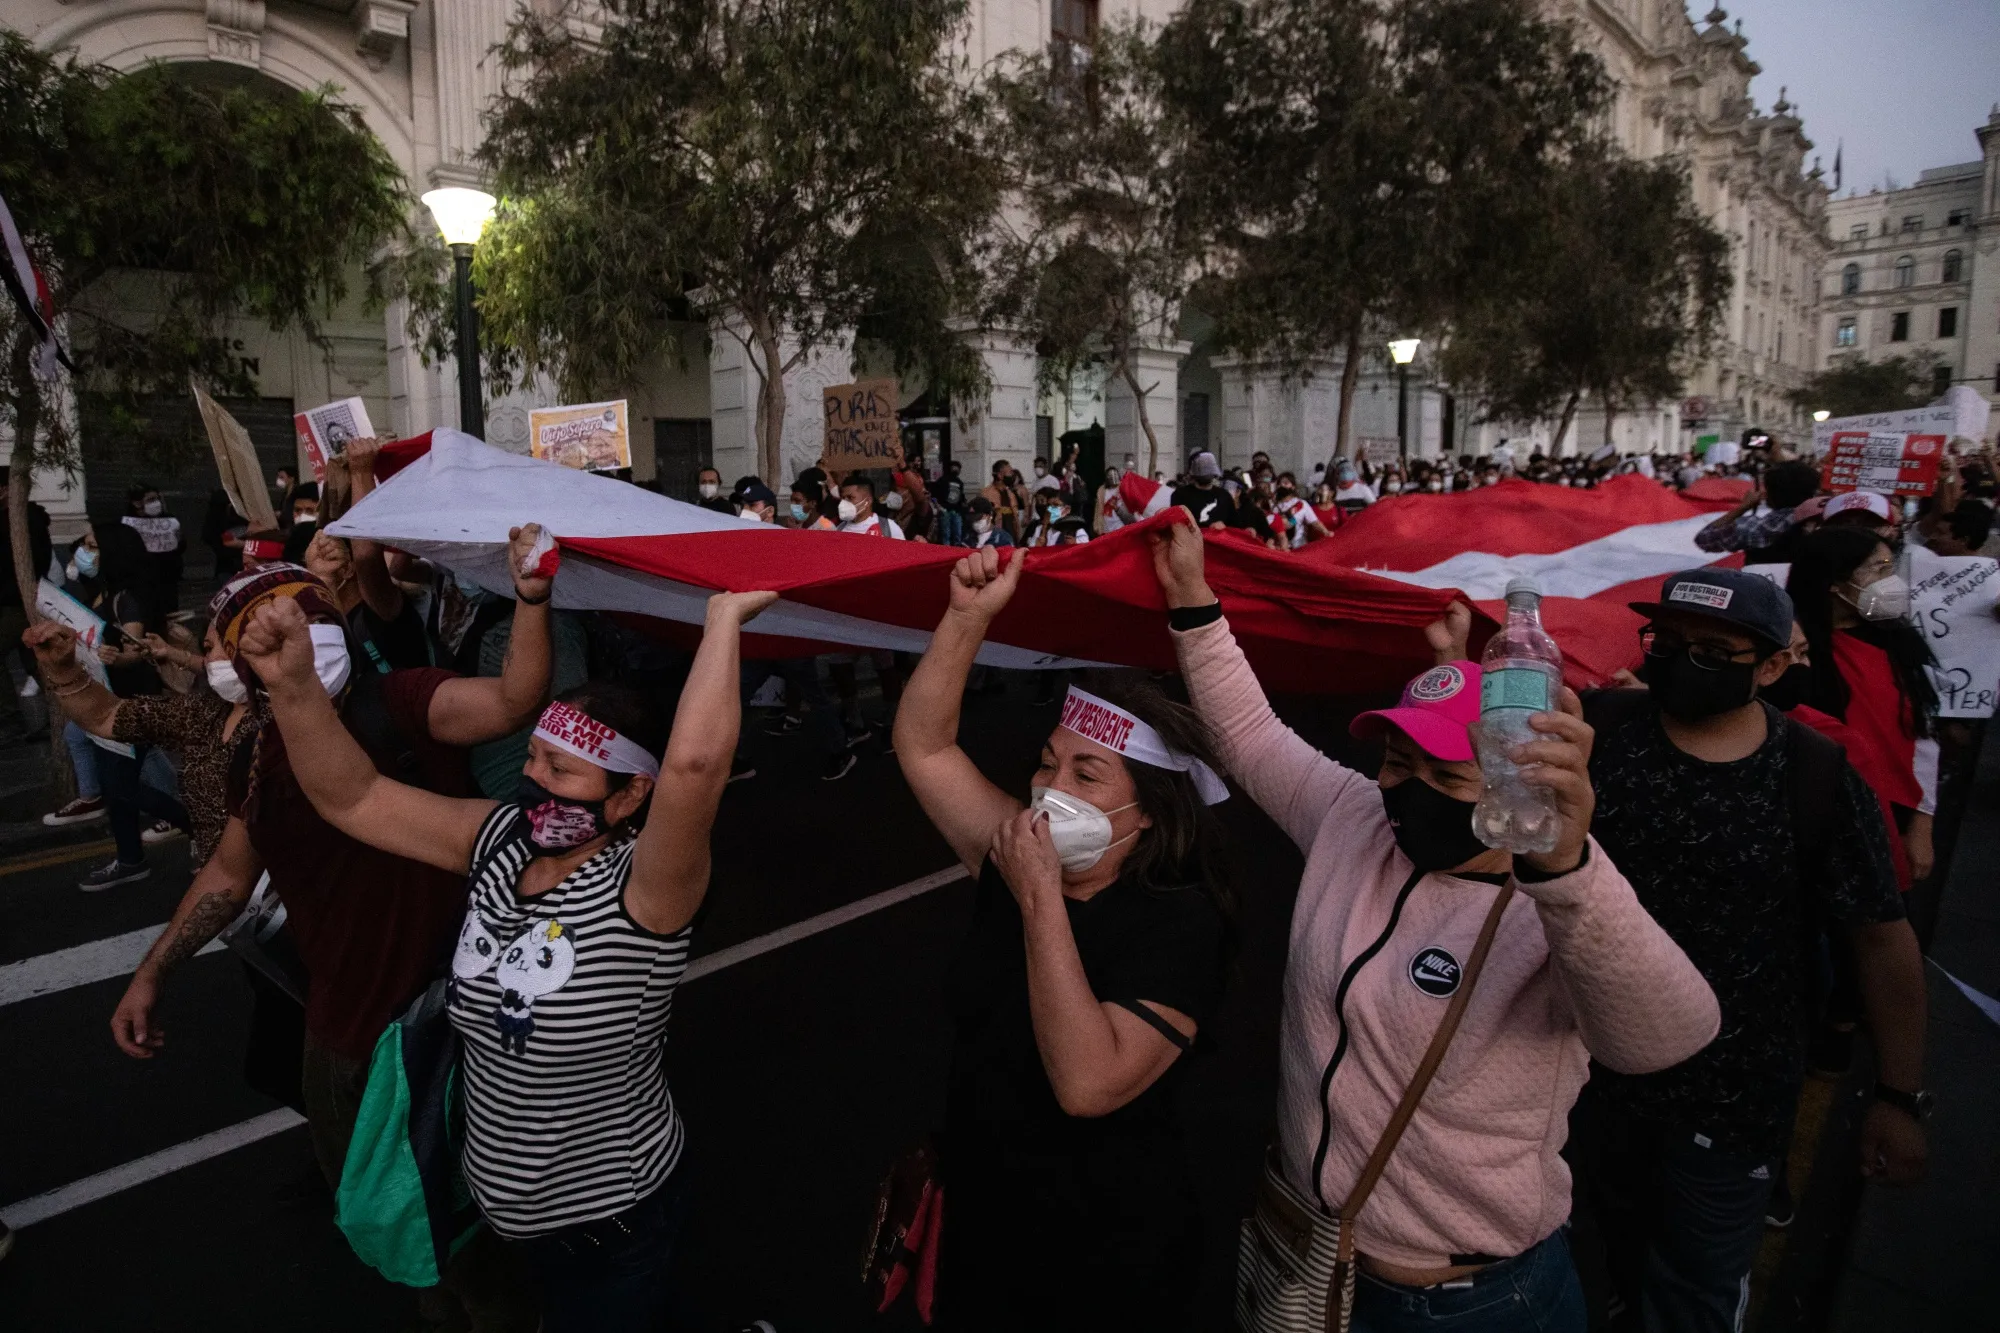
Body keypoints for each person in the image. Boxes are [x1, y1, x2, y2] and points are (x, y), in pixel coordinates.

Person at [1151, 520, 1718, 1333]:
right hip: (1319, 1256)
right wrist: (1193, 603)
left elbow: (1665, 1036)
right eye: (1396, 760)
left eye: (1446, 772)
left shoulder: (1554, 903)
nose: (1405, 790)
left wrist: (1566, 869)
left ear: (1506, 785)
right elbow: (1249, 735)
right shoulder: (1353, 820)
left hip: (1475, 1303)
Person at [238, 574, 777, 1333]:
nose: (532, 781)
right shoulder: (498, 840)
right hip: (504, 1217)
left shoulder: (649, 889)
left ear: (626, 799)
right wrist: (293, 683)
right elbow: (354, 797)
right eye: (531, 757)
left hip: (611, 1220)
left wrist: (721, 620)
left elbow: (693, 770)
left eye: (562, 770)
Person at [105, 546, 553, 1329]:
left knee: (476, 1237)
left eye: (302, 622)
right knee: (391, 1224)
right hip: (341, 1034)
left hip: (444, 1028)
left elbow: (515, 700)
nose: (287, 641)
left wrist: (533, 598)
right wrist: (152, 972)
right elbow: (226, 876)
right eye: (255, 636)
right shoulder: (258, 749)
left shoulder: (403, 702)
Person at [1570, 567, 1927, 1333]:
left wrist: (1898, 1096)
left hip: (1727, 1106)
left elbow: (1880, 939)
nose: (1678, 660)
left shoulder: (1817, 777)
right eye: (1665, 642)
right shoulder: (1597, 729)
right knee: (1590, 1270)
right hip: (1575, 1083)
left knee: (1693, 1296)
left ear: (1770, 667)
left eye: (1710, 650)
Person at [894, 544, 1235, 1331]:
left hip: (1101, 1260)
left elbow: (1088, 1082)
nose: (1049, 790)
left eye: (1087, 775)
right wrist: (965, 619)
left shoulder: (1179, 922)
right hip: (986, 1228)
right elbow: (926, 747)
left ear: (1148, 808)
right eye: (1049, 764)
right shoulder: (1017, 854)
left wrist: (1041, 898)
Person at [1788, 526, 1937, 886]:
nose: (1891, 581)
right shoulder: (1791, 651)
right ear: (1834, 584)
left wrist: (1922, 823)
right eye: (1878, 569)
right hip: (1819, 827)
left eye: (1890, 567)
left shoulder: (1899, 643)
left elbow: (1923, 737)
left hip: (1895, 815)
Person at [71, 521, 191, 891]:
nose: (85, 552)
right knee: (114, 786)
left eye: (93, 545)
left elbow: (134, 650)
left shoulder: (128, 599)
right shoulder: (100, 592)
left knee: (122, 786)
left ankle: (199, 824)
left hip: (130, 705)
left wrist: (114, 657)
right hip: (105, 702)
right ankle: (129, 858)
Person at [1692, 460, 1821, 564]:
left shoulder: (1756, 528)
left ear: (1769, 493)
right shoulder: (1826, 519)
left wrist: (1743, 507)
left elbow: (1704, 538)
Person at [123, 482, 186, 597]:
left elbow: (181, 547)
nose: (156, 503)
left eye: (157, 499)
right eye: (151, 499)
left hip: (168, 580)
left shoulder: (169, 520)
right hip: (142, 583)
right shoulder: (128, 526)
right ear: (137, 503)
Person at [1171, 451, 1237, 529]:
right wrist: (1208, 526)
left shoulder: (1224, 496)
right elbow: (1178, 523)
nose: (1206, 474)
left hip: (1219, 539)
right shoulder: (1180, 495)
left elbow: (1234, 523)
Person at [836, 476, 904, 538]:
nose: (844, 502)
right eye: (843, 498)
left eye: (850, 497)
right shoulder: (839, 529)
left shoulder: (888, 528)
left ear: (868, 501)